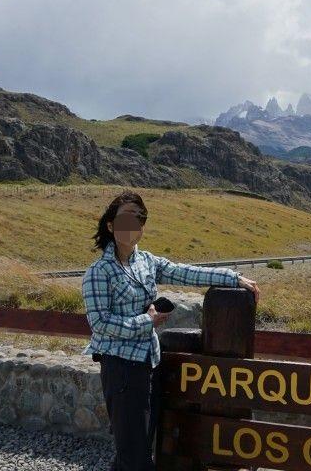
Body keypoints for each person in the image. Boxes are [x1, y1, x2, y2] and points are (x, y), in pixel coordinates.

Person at [81, 190, 260, 471]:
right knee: (135, 458)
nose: (132, 225)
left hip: (149, 366)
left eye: (138, 219)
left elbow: (186, 272)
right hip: (121, 369)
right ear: (111, 225)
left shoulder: (146, 261)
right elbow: (100, 324)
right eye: (125, 218)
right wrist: (147, 321)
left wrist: (234, 278)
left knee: (137, 448)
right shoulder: (99, 272)